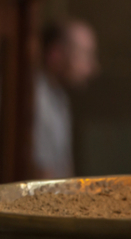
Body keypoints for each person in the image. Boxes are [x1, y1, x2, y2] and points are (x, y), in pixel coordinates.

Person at [33, 20, 99, 179]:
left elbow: (65, 170)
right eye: (85, 55)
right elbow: (42, 177)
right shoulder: (36, 100)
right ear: (56, 54)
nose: (93, 67)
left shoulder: (59, 97)